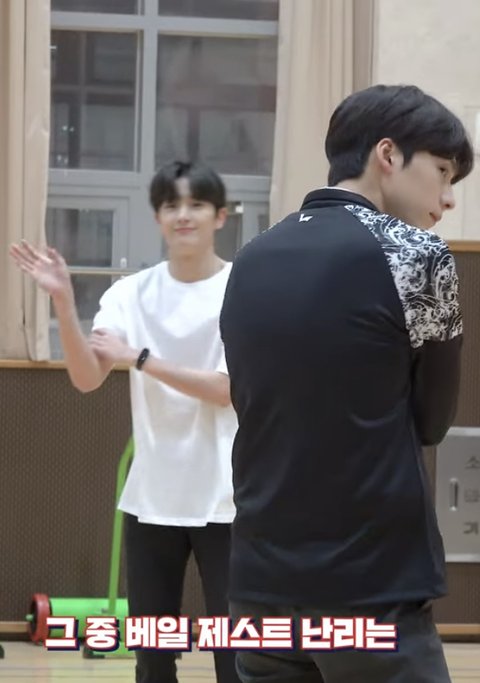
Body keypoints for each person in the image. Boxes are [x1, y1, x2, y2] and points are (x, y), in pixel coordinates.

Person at [220, 84, 474, 683]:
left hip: (259, 584)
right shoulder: (417, 254)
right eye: (442, 172)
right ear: (388, 154)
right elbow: (432, 421)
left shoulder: (250, 258)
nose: (447, 198)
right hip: (370, 583)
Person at [11, 161, 240, 683]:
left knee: (236, 653)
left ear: (220, 216)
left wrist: (140, 358)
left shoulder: (241, 289)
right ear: (158, 217)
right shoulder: (130, 293)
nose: (184, 216)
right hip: (152, 499)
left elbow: (226, 390)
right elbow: (87, 378)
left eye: (197, 204)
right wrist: (64, 302)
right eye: (171, 206)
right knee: (151, 658)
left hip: (227, 498)